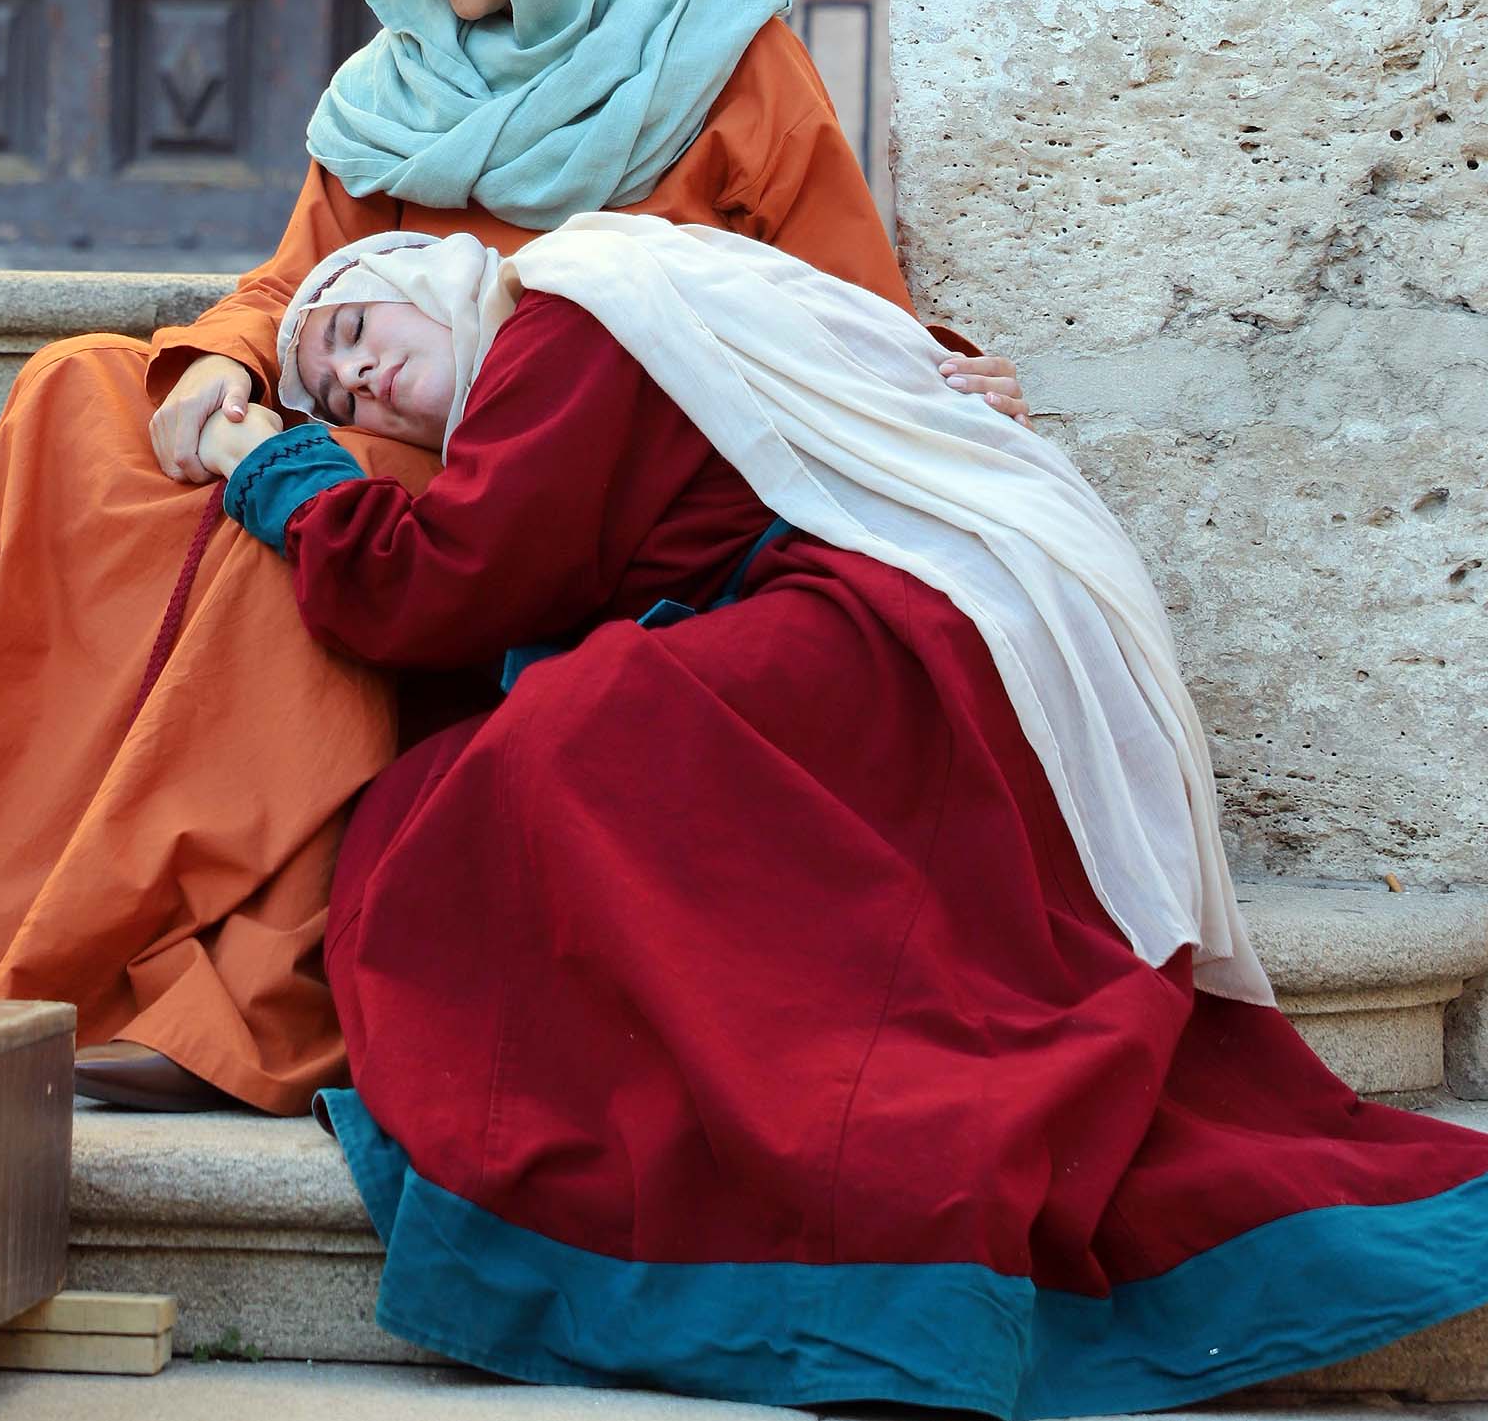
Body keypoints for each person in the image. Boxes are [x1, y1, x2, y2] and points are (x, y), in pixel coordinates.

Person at [0, 0, 1025, 1114]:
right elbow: (294, 288)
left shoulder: (728, 54)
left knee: (299, 514)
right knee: (80, 391)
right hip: (369, 466)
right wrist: (225, 362)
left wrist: (931, 373)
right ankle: (30, 804)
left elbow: (833, 300)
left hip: (545, 510)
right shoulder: (397, 88)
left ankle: (234, 974)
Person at [198, 214, 1488, 1416]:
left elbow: (437, 587)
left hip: (906, 624)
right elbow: (841, 357)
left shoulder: (564, 323)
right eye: (334, 392)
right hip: (932, 608)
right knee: (527, 750)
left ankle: (845, 1197)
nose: (358, 384)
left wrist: (280, 466)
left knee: (563, 744)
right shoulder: (628, 298)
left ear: (439, 279)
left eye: (357, 333)